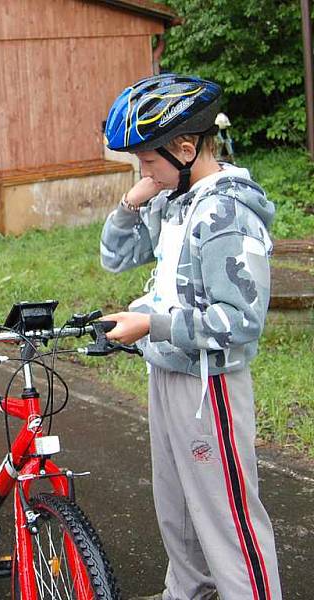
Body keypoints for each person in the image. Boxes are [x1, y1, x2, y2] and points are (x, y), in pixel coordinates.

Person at [100, 74, 282, 600]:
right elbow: (115, 257)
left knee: (228, 519)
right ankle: (189, 592)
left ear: (184, 148)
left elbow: (240, 321)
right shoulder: (176, 199)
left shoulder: (228, 212)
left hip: (211, 385)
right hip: (168, 370)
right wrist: (134, 200)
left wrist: (152, 324)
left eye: (147, 160)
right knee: (177, 504)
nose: (143, 170)